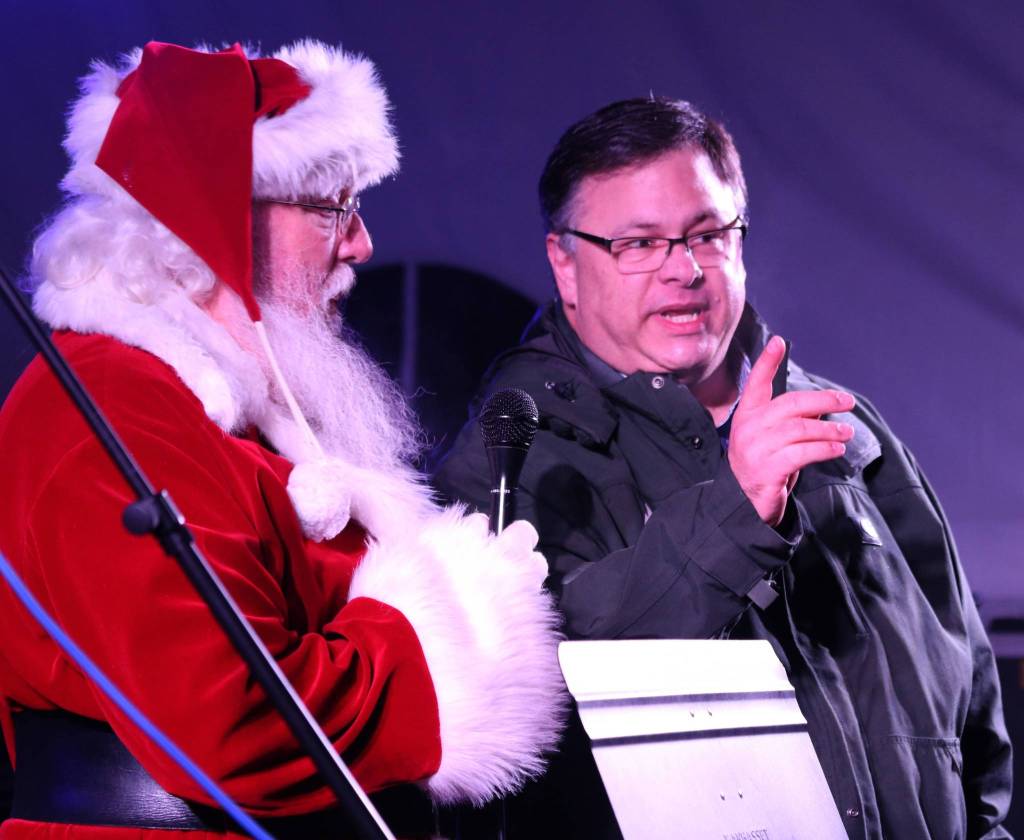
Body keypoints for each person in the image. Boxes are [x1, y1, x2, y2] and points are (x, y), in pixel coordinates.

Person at [0, 40, 567, 838]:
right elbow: (231, 718)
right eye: (333, 207)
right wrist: (441, 634)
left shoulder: (227, 407)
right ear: (216, 220)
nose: (362, 242)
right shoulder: (114, 406)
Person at [435, 97, 1013, 839]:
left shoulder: (846, 431)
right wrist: (736, 514)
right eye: (639, 244)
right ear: (565, 264)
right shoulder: (511, 459)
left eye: (707, 234)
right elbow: (553, 679)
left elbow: (971, 702)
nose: (683, 270)